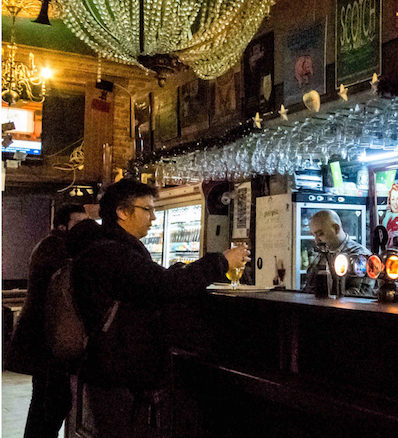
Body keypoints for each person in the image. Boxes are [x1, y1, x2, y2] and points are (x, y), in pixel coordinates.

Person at [70, 179, 249, 437]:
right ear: (122, 212)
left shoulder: (110, 249)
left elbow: (153, 283)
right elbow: (166, 286)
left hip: (111, 370)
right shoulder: (114, 255)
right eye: (148, 209)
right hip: (118, 373)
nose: (153, 217)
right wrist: (221, 261)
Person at [7, 203, 88, 438]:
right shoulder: (56, 248)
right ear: (62, 226)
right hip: (47, 341)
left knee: (46, 404)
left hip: (46, 338)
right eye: (78, 223)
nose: (84, 228)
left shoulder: (53, 245)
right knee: (49, 405)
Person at [302, 210, 374, 297]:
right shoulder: (321, 254)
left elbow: (361, 295)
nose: (316, 241)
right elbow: (308, 289)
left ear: (336, 229)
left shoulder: (360, 257)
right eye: (314, 235)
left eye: (320, 234)